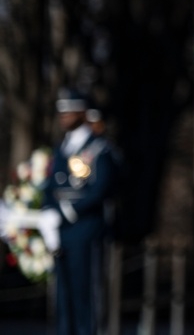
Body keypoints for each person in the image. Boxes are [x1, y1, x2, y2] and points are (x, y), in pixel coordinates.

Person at [43, 87, 117, 335]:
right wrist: (47, 211)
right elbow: (51, 186)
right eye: (61, 111)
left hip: (86, 231)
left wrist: (64, 212)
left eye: (70, 110)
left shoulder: (97, 148)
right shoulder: (61, 148)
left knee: (86, 298)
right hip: (61, 235)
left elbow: (101, 188)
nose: (64, 116)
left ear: (83, 112)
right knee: (64, 301)